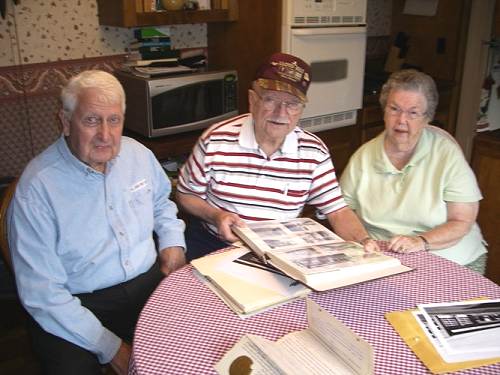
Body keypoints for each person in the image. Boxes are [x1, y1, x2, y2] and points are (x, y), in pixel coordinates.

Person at [8, 70, 186, 375]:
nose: (105, 134)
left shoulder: (138, 155)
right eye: (91, 120)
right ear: (65, 122)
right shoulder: (36, 189)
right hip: (74, 305)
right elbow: (43, 294)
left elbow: (160, 203)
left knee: (201, 344)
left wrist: (172, 241)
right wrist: (112, 348)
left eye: (114, 120)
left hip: (146, 284)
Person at [176, 52, 378, 260]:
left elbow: (337, 211)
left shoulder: (313, 151)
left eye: (292, 103)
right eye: (271, 99)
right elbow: (185, 195)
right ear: (252, 100)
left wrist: (363, 242)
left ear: (301, 109)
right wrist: (217, 216)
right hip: (214, 244)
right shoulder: (216, 139)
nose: (281, 113)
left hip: (278, 252)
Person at [340, 69, 487, 273]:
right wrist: (362, 240)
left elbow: (462, 221)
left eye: (413, 112)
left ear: (427, 119)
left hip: (450, 257)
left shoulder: (446, 154)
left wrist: (421, 241)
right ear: (384, 111)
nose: (401, 120)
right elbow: (342, 211)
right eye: (394, 109)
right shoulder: (363, 157)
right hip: (384, 258)